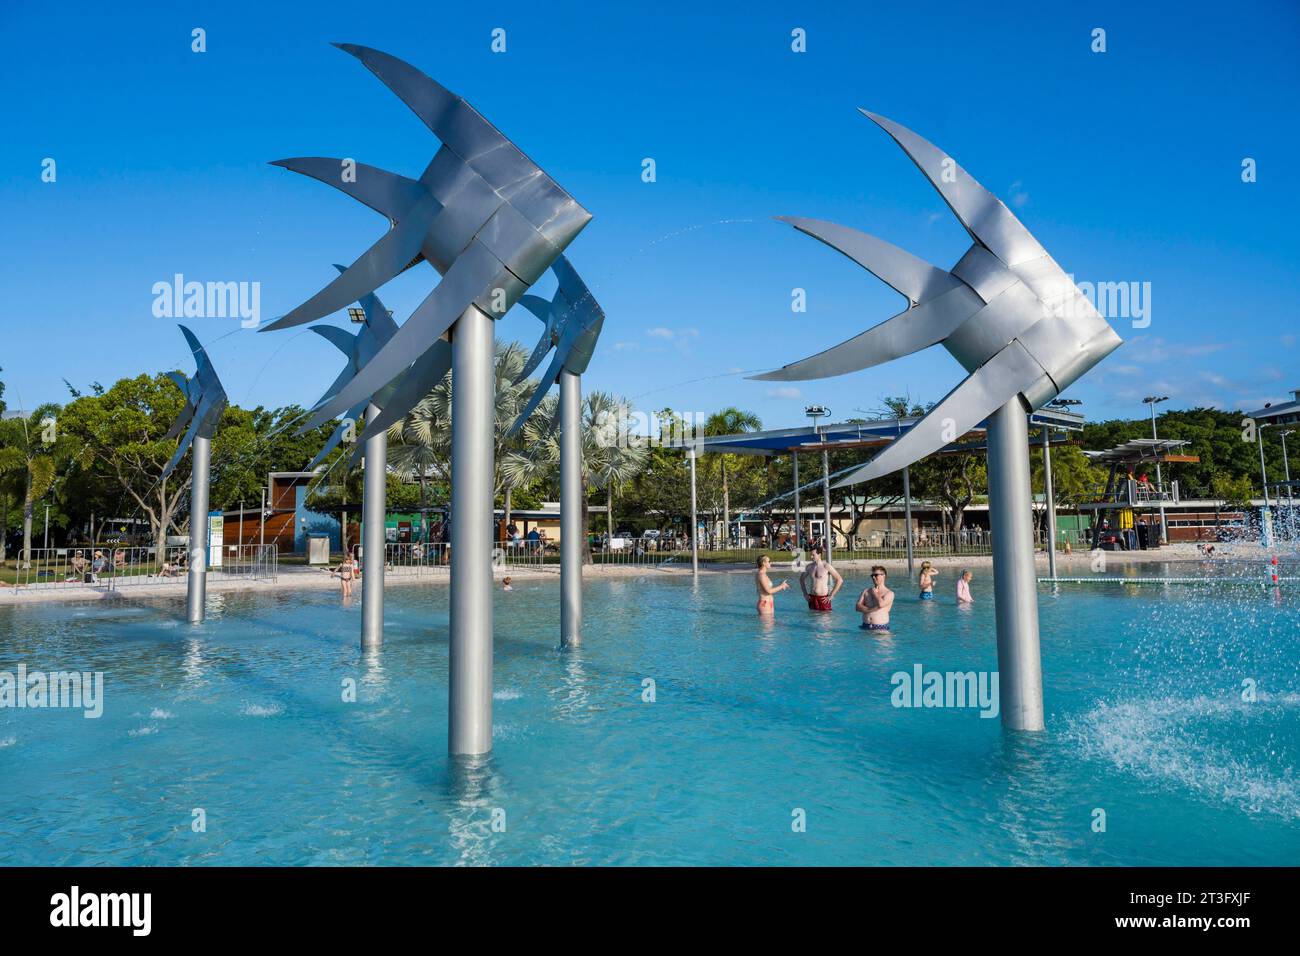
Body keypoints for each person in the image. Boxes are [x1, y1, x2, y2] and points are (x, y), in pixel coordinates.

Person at [799, 545, 843, 612]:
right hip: (812, 598)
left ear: (819, 554)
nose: (811, 557)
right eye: (811, 555)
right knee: (812, 620)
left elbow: (839, 580)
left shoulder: (826, 566)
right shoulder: (809, 567)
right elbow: (801, 579)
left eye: (813, 555)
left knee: (824, 620)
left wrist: (831, 595)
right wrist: (805, 594)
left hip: (823, 599)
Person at [855, 565, 894, 631]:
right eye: (872, 576)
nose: (873, 577)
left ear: (883, 576)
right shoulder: (866, 591)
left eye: (876, 575)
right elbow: (857, 607)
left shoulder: (889, 593)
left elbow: (881, 604)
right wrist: (870, 610)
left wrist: (875, 593)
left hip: (881, 629)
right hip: (865, 626)